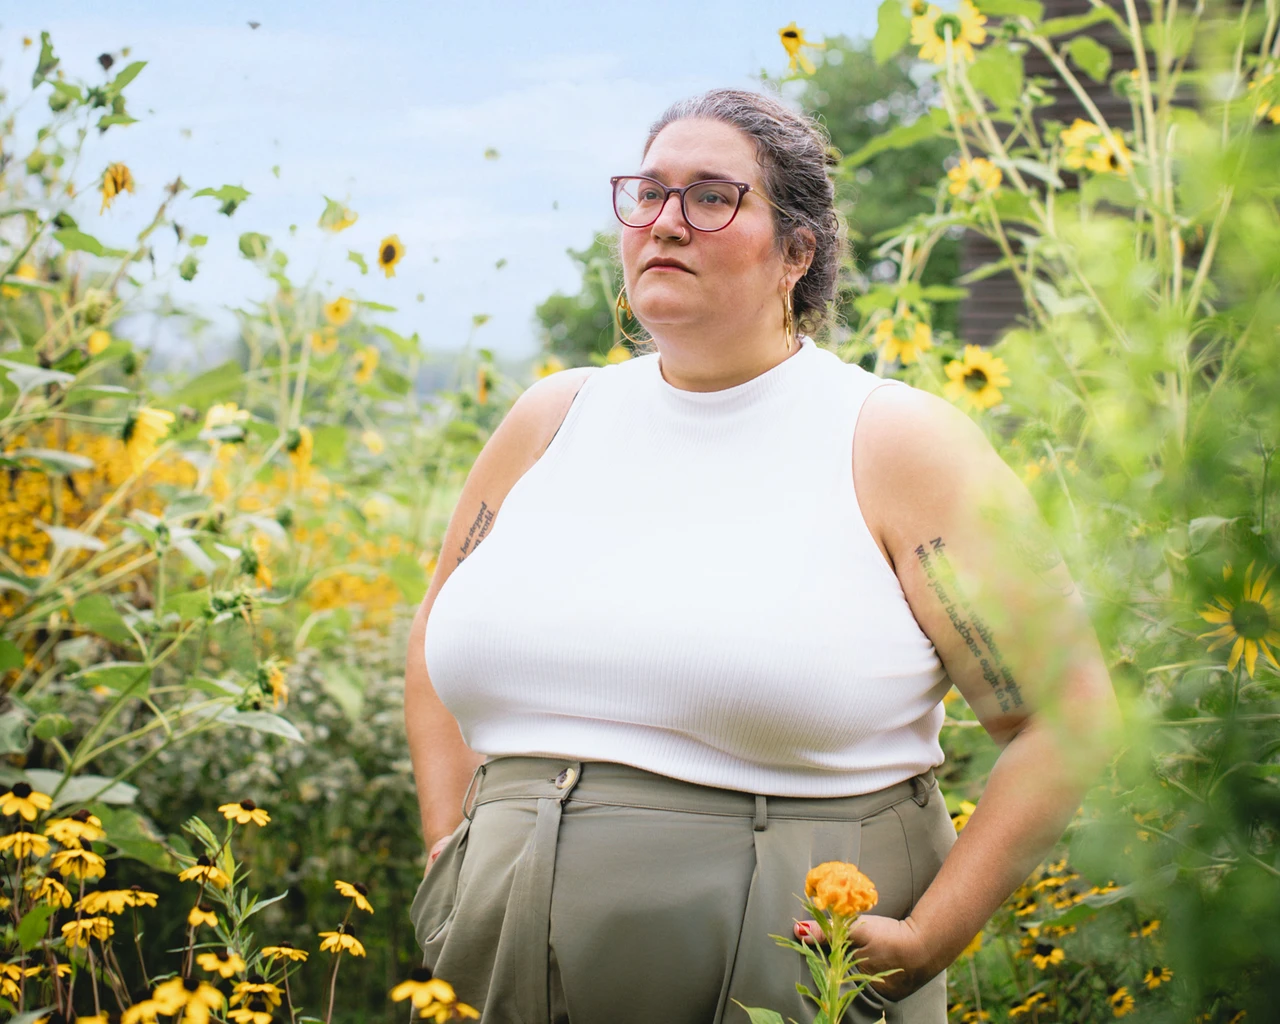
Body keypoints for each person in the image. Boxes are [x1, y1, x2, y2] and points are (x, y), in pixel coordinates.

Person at [402, 87, 1121, 1024]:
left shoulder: (897, 442)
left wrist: (933, 935)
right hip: (496, 943)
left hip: (778, 953)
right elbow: (436, 631)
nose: (666, 222)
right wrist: (449, 847)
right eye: (648, 194)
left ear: (797, 251)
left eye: (711, 197)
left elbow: (1063, 716)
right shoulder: (552, 417)